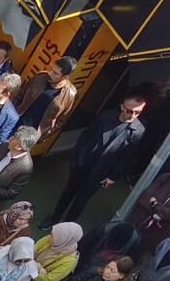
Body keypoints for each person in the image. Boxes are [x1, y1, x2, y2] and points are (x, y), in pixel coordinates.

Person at [53, 94, 148, 224]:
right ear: (122, 107)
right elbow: (86, 136)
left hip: (101, 171)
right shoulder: (106, 117)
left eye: (137, 113)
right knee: (68, 192)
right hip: (84, 162)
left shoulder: (137, 131)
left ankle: (67, 226)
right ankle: (54, 218)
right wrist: (77, 157)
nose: (132, 115)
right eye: (129, 111)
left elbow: (127, 157)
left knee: (82, 200)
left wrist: (113, 177)